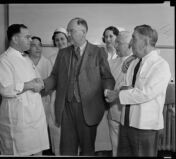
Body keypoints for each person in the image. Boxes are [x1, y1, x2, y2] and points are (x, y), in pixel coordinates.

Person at [42, 17, 115, 156]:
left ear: (83, 32)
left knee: (87, 150)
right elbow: (55, 76)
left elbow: (107, 77)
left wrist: (107, 90)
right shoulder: (63, 53)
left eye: (71, 31)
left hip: (88, 108)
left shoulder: (98, 52)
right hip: (66, 108)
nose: (68, 34)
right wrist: (42, 84)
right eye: (68, 30)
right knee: (67, 150)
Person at [105, 24, 171, 156]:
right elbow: (124, 85)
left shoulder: (160, 65)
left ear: (145, 42)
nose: (131, 43)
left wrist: (121, 93)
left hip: (145, 128)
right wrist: (127, 90)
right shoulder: (134, 63)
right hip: (126, 124)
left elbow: (145, 93)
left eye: (134, 39)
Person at [0, 24, 49, 156]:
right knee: (19, 152)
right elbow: (5, 88)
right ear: (15, 39)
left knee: (37, 151)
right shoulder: (3, 61)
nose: (30, 40)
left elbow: (35, 79)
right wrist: (30, 85)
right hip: (18, 122)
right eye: (27, 37)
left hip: (35, 118)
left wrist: (39, 82)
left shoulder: (26, 58)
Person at [106, 31, 134, 157]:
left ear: (130, 45)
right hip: (114, 113)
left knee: (130, 150)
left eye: (119, 43)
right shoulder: (111, 63)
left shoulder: (138, 62)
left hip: (131, 117)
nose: (115, 45)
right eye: (115, 42)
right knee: (116, 149)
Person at [94, 26, 119, 156]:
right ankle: (101, 151)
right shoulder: (100, 52)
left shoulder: (122, 55)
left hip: (116, 97)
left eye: (111, 36)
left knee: (116, 131)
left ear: (117, 37)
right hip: (100, 95)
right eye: (106, 36)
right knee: (102, 130)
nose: (108, 39)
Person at [27, 36, 53, 153]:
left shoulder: (47, 62)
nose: (37, 48)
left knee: (40, 133)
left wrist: (40, 90)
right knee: (27, 132)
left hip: (43, 101)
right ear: (28, 48)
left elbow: (51, 84)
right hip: (27, 103)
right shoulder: (24, 62)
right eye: (33, 45)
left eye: (39, 45)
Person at [48, 27, 69, 155]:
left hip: (73, 97)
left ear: (67, 39)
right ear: (54, 42)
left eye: (62, 39)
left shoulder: (76, 54)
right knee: (57, 129)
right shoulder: (51, 59)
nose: (60, 42)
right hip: (57, 97)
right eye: (57, 40)